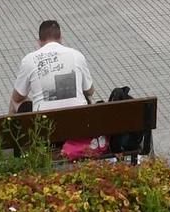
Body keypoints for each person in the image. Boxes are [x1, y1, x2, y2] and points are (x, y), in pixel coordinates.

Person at [9, 18, 103, 157]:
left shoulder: (29, 59)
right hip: (77, 127)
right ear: (61, 39)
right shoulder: (76, 55)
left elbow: (17, 97)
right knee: (86, 97)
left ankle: (14, 144)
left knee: (14, 101)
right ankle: (75, 144)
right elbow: (90, 91)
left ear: (39, 42)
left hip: (45, 130)